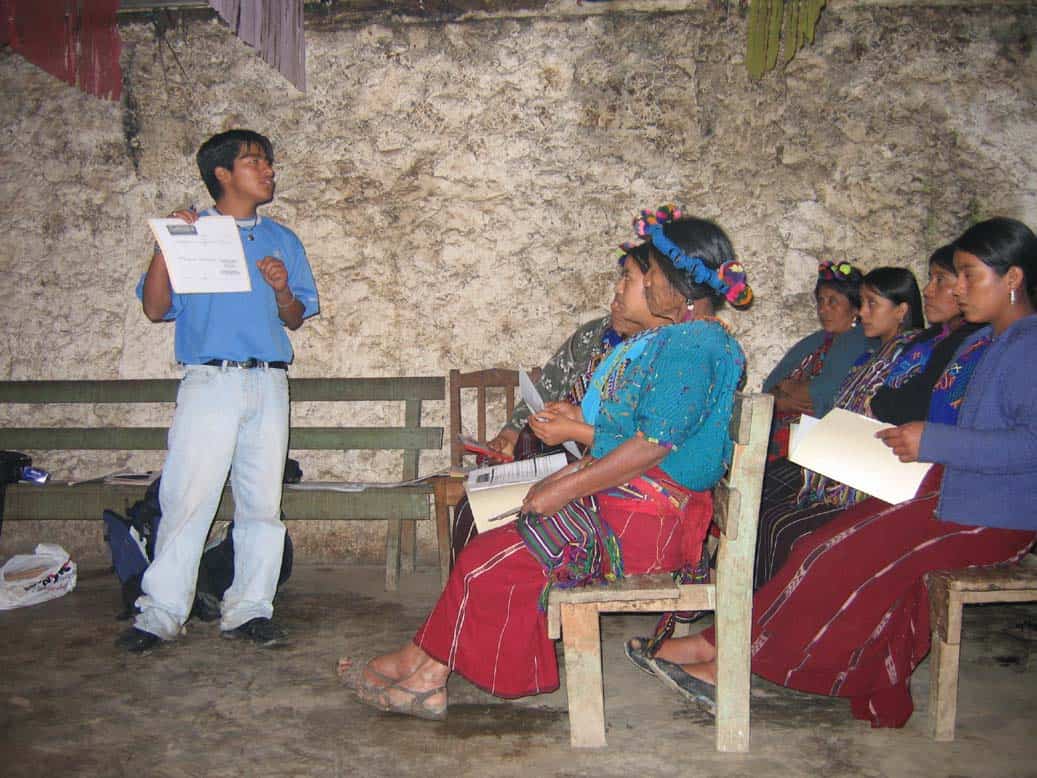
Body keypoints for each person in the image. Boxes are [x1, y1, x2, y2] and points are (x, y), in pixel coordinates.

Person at [338, 206, 752, 720]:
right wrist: (568, 472)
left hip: (646, 526)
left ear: (672, 282)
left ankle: (424, 676)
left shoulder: (693, 345)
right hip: (639, 508)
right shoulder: (687, 341)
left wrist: (566, 488)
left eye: (640, 273)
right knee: (489, 547)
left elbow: (651, 445)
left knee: (489, 560)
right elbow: (632, 438)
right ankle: (421, 665)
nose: (634, 283)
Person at [630, 216, 1037, 729]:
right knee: (813, 547)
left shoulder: (1029, 346)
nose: (956, 288)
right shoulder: (998, 341)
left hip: (994, 515)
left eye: (967, 275)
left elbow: (1030, 446)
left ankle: (736, 663)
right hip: (953, 491)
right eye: (953, 275)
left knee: (834, 557)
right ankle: (718, 642)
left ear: (1014, 278)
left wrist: (932, 440)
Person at [117, 129, 319, 653]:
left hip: (269, 381)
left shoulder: (283, 240)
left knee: (261, 504)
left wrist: (280, 290)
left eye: (269, 161)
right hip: (210, 381)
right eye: (255, 161)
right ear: (222, 174)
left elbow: (295, 318)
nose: (269, 169)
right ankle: (159, 613)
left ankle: (249, 609)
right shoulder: (193, 233)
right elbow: (156, 309)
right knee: (188, 499)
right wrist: (167, 247)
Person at [450, 242, 671, 561]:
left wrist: (572, 430)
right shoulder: (598, 338)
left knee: (485, 517)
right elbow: (548, 388)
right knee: (479, 496)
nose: (615, 300)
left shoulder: (661, 354)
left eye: (627, 282)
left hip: (600, 472)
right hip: (572, 457)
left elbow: (637, 442)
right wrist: (513, 433)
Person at [752, 265, 924, 586]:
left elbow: (826, 400)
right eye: (820, 301)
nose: (863, 312)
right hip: (823, 456)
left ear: (902, 310)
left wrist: (789, 393)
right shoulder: (861, 354)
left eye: (870, 304)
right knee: (762, 506)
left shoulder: (901, 352)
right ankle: (758, 610)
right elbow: (772, 388)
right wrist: (786, 394)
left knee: (776, 518)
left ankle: (767, 613)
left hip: (858, 469)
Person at [763, 260, 874, 459]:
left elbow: (821, 393)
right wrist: (782, 401)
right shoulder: (815, 341)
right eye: (821, 301)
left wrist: (785, 390)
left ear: (856, 308)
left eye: (833, 301)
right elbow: (769, 387)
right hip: (786, 442)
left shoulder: (860, 342)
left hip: (821, 447)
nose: (823, 310)